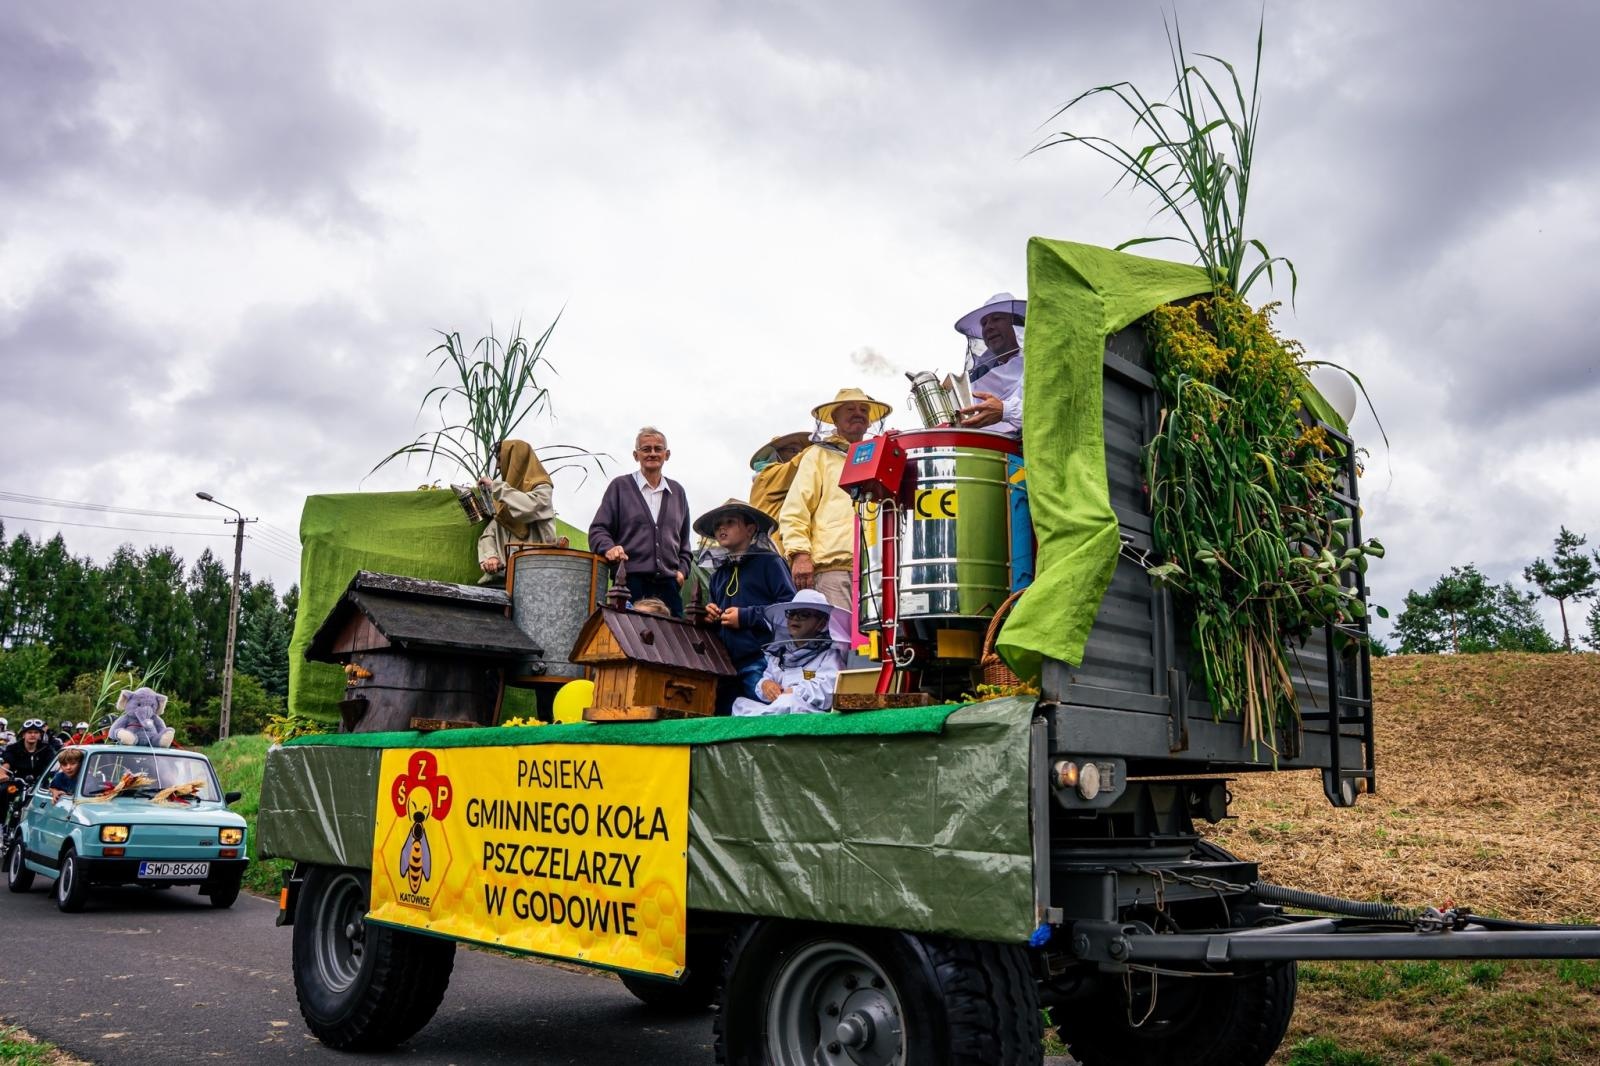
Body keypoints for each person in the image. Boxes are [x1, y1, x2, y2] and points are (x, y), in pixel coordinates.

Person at [778, 387, 892, 611]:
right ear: (835, 418)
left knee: (877, 643)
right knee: (840, 642)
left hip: (879, 570)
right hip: (834, 570)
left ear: (869, 422)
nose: (857, 413)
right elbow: (795, 510)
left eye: (863, 409)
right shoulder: (818, 455)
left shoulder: (879, 456)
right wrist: (800, 555)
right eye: (850, 409)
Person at [954, 291, 1034, 590]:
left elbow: (1045, 409)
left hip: (1024, 465)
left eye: (996, 319)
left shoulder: (1037, 362)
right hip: (981, 471)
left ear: (1017, 325)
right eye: (984, 323)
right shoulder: (984, 374)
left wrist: (1005, 410)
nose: (988, 328)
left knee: (1020, 556)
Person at [694, 499, 796, 713]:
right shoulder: (718, 575)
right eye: (718, 525)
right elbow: (715, 624)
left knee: (770, 713)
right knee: (725, 717)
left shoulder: (770, 563)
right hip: (725, 665)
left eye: (730, 522)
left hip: (763, 661)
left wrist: (746, 616)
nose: (721, 527)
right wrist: (709, 616)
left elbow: (790, 611)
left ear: (750, 529)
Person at [589, 427, 692, 616]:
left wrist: (682, 572)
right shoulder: (620, 487)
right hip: (630, 583)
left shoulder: (678, 492)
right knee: (630, 641)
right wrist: (608, 548)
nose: (652, 453)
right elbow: (598, 529)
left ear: (666, 454)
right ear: (636, 455)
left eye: (657, 449)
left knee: (673, 642)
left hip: (669, 585)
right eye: (646, 449)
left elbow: (685, 543)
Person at [731, 590, 847, 717]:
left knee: (788, 702)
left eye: (804, 614)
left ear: (821, 623)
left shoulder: (830, 655)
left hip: (809, 712)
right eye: (792, 613)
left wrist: (793, 692)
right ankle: (765, 721)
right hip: (778, 707)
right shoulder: (779, 655)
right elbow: (768, 677)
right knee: (739, 704)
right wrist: (765, 685)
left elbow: (828, 688)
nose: (795, 618)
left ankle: (761, 721)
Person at [477, 439, 558, 584]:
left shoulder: (543, 491)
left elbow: (528, 507)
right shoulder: (506, 498)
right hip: (505, 581)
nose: (497, 466)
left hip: (536, 580)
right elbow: (489, 534)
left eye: (500, 459)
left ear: (515, 459)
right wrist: (491, 556)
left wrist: (497, 487)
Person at [747, 432, 812, 559]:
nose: (798, 455)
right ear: (776, 454)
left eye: (800, 451)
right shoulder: (767, 475)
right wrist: (820, 447)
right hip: (772, 552)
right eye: (792, 450)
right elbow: (796, 465)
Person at [0, 720, 59, 824]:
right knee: (3, 791)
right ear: (23, 734)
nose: (33, 735)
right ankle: (1, 825)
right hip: (17, 781)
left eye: (36, 732)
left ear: (40, 735)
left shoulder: (47, 749)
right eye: (29, 732)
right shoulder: (13, 748)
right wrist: (3, 774)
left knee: (52, 799)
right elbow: (5, 765)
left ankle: (41, 829)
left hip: (40, 784)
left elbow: (55, 767)